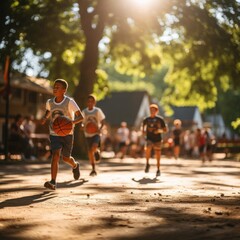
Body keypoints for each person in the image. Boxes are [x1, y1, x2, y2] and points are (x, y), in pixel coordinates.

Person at [41, 79, 84, 190]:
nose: (55, 88)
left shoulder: (70, 102)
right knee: (55, 155)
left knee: (65, 158)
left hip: (67, 133)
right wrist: (45, 117)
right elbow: (48, 110)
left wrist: (71, 122)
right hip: (54, 132)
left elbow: (81, 117)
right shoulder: (50, 102)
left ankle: (75, 165)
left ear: (64, 90)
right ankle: (53, 181)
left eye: (58, 87)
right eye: (54, 86)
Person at [82, 94, 106, 176]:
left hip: (96, 133)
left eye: (92, 101)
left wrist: (100, 128)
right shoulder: (84, 112)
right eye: (88, 101)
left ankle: (96, 150)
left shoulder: (97, 111)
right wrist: (82, 127)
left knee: (94, 146)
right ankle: (93, 169)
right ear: (86, 102)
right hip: (88, 134)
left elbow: (103, 121)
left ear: (94, 102)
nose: (90, 103)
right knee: (90, 152)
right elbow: (82, 123)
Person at [142, 104, 168, 177]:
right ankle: (147, 164)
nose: (152, 111)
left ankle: (158, 169)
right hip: (149, 138)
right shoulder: (146, 119)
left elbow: (165, 130)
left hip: (157, 139)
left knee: (158, 154)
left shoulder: (160, 119)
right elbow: (143, 128)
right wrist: (143, 132)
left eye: (153, 110)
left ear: (156, 111)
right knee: (147, 149)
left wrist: (158, 131)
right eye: (151, 110)